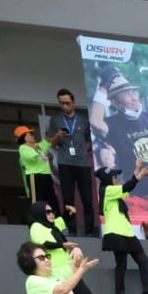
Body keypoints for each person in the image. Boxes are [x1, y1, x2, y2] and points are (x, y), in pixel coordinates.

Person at [90, 68, 148, 195]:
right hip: (142, 198)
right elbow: (95, 121)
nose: (134, 98)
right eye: (126, 94)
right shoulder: (113, 124)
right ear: (115, 101)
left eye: (134, 92)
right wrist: (103, 86)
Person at [97, 162, 148, 294]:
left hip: (127, 233)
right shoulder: (106, 191)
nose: (116, 179)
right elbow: (127, 186)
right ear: (108, 179)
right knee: (122, 264)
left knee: (142, 260)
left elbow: (128, 187)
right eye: (114, 177)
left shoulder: (114, 194)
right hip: (116, 232)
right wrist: (140, 176)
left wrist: (137, 171)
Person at [46, 88, 96, 235]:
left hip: (83, 163)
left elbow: (89, 141)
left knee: (87, 198)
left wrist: (81, 150)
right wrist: (58, 137)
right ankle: (72, 230)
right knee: (68, 199)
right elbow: (52, 143)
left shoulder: (83, 121)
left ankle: (90, 230)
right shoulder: (55, 120)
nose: (65, 106)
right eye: (62, 103)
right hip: (65, 163)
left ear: (73, 103)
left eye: (67, 103)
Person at [17, 127, 57, 207]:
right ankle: (37, 219)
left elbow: (48, 141)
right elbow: (31, 157)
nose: (33, 136)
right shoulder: (23, 148)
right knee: (38, 203)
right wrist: (35, 148)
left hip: (46, 176)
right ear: (25, 138)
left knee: (52, 202)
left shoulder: (38, 147)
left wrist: (48, 132)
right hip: (35, 176)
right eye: (30, 134)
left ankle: (53, 218)